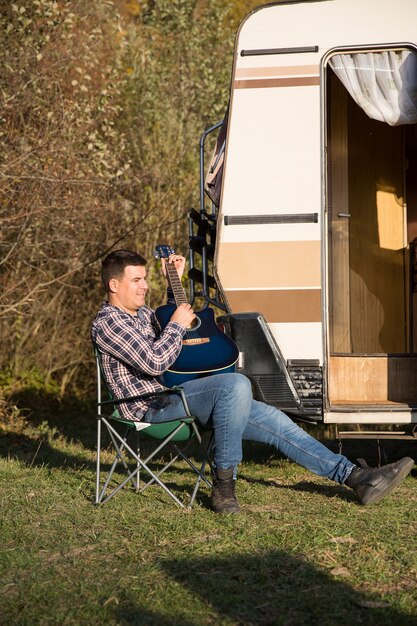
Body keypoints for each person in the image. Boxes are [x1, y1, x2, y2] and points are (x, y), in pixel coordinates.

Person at [91, 249, 414, 514]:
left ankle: (356, 477)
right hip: (151, 409)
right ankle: (224, 484)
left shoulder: (143, 315)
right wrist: (176, 325)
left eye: (145, 279)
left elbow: (175, 333)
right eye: (136, 280)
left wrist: (171, 282)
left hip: (178, 398)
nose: (143, 286)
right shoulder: (107, 323)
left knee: (273, 416)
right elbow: (154, 360)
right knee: (235, 385)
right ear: (114, 285)